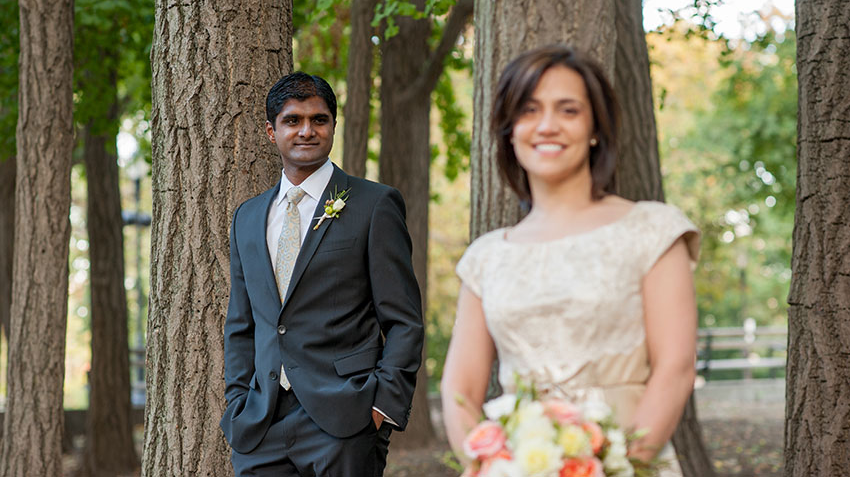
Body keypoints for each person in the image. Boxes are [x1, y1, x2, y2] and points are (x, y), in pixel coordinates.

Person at [441, 45, 698, 475]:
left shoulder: (653, 230)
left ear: (596, 127)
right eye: (528, 110)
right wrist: (486, 465)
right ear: (509, 130)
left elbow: (675, 368)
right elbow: (459, 388)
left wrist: (616, 467)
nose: (546, 126)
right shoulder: (485, 258)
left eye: (568, 110)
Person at [220, 71, 424, 477]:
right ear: (270, 131)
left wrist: (381, 407)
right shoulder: (248, 217)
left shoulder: (374, 205)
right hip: (260, 425)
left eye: (319, 119)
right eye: (292, 121)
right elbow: (242, 324)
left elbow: (403, 320)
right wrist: (238, 401)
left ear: (333, 125)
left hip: (345, 421)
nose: (306, 131)